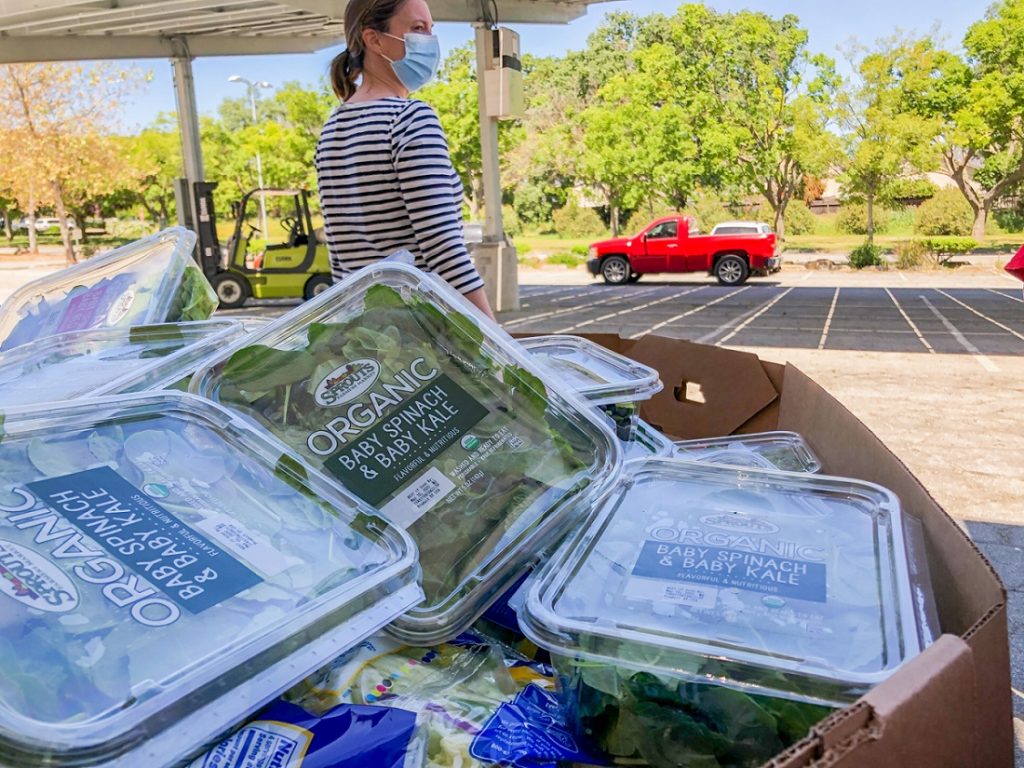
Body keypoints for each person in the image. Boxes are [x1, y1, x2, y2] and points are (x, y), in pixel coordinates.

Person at [316, 0, 495, 320]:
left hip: (367, 330)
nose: (430, 40)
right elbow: (443, 247)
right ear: (374, 39)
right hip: (424, 331)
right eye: (417, 28)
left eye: (430, 29)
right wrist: (493, 336)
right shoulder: (409, 119)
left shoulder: (332, 129)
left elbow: (340, 257)